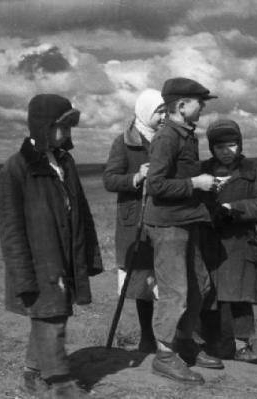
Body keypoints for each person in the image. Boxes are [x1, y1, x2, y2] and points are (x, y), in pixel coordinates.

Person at [0, 94, 103, 398]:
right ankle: (59, 382)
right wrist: (22, 276)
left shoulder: (65, 162)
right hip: (37, 261)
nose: (68, 134)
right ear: (43, 127)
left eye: (70, 128)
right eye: (62, 127)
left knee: (51, 314)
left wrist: (86, 257)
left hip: (62, 255)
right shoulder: (15, 170)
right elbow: (11, 231)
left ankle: (31, 375)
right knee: (51, 316)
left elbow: (79, 209)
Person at [143, 77, 223, 385]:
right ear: (180, 106)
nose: (203, 106)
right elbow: (156, 185)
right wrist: (195, 183)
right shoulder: (167, 137)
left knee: (197, 287)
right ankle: (164, 355)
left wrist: (205, 183)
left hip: (185, 220)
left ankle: (184, 342)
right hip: (168, 226)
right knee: (175, 291)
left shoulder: (187, 134)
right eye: (199, 102)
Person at [196, 119, 257, 363]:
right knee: (208, 297)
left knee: (240, 297)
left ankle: (242, 346)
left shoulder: (251, 172)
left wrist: (233, 208)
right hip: (210, 243)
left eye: (231, 145)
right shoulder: (201, 172)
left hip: (240, 244)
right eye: (220, 147)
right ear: (212, 149)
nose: (226, 151)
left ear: (239, 145)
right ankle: (211, 344)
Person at [103, 88, 165, 353]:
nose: (163, 117)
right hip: (136, 221)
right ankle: (147, 336)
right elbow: (109, 179)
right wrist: (136, 177)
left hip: (162, 217)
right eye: (158, 111)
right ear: (144, 112)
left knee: (163, 277)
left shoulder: (167, 139)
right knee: (142, 280)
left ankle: (165, 337)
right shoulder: (123, 142)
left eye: (165, 111)